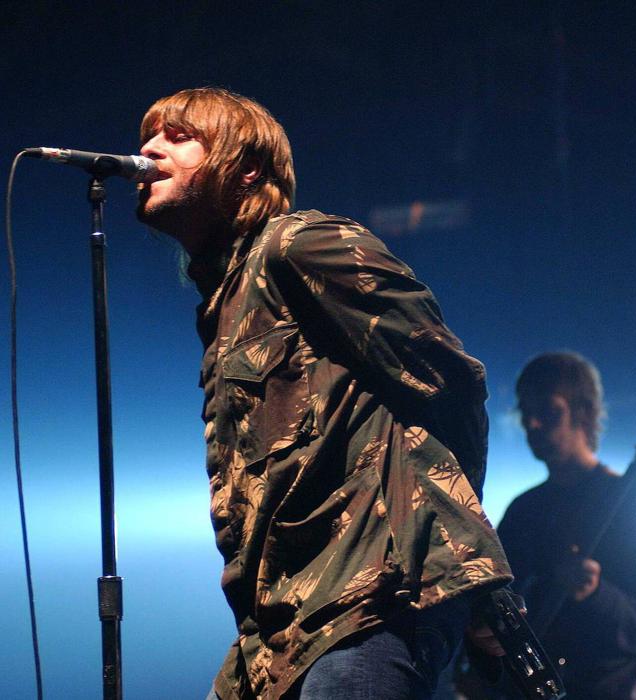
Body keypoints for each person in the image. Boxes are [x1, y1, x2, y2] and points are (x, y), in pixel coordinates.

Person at [136, 87, 512, 700]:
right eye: (148, 137)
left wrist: (457, 549)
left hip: (370, 598)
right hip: (281, 631)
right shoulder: (225, 307)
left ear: (245, 168)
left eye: (178, 137)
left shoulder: (300, 246)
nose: (148, 150)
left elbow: (451, 378)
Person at [496, 351, 636, 699]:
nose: (533, 424)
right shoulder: (523, 511)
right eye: (527, 413)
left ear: (584, 411)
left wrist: (597, 595)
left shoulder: (635, 502)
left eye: (548, 411)